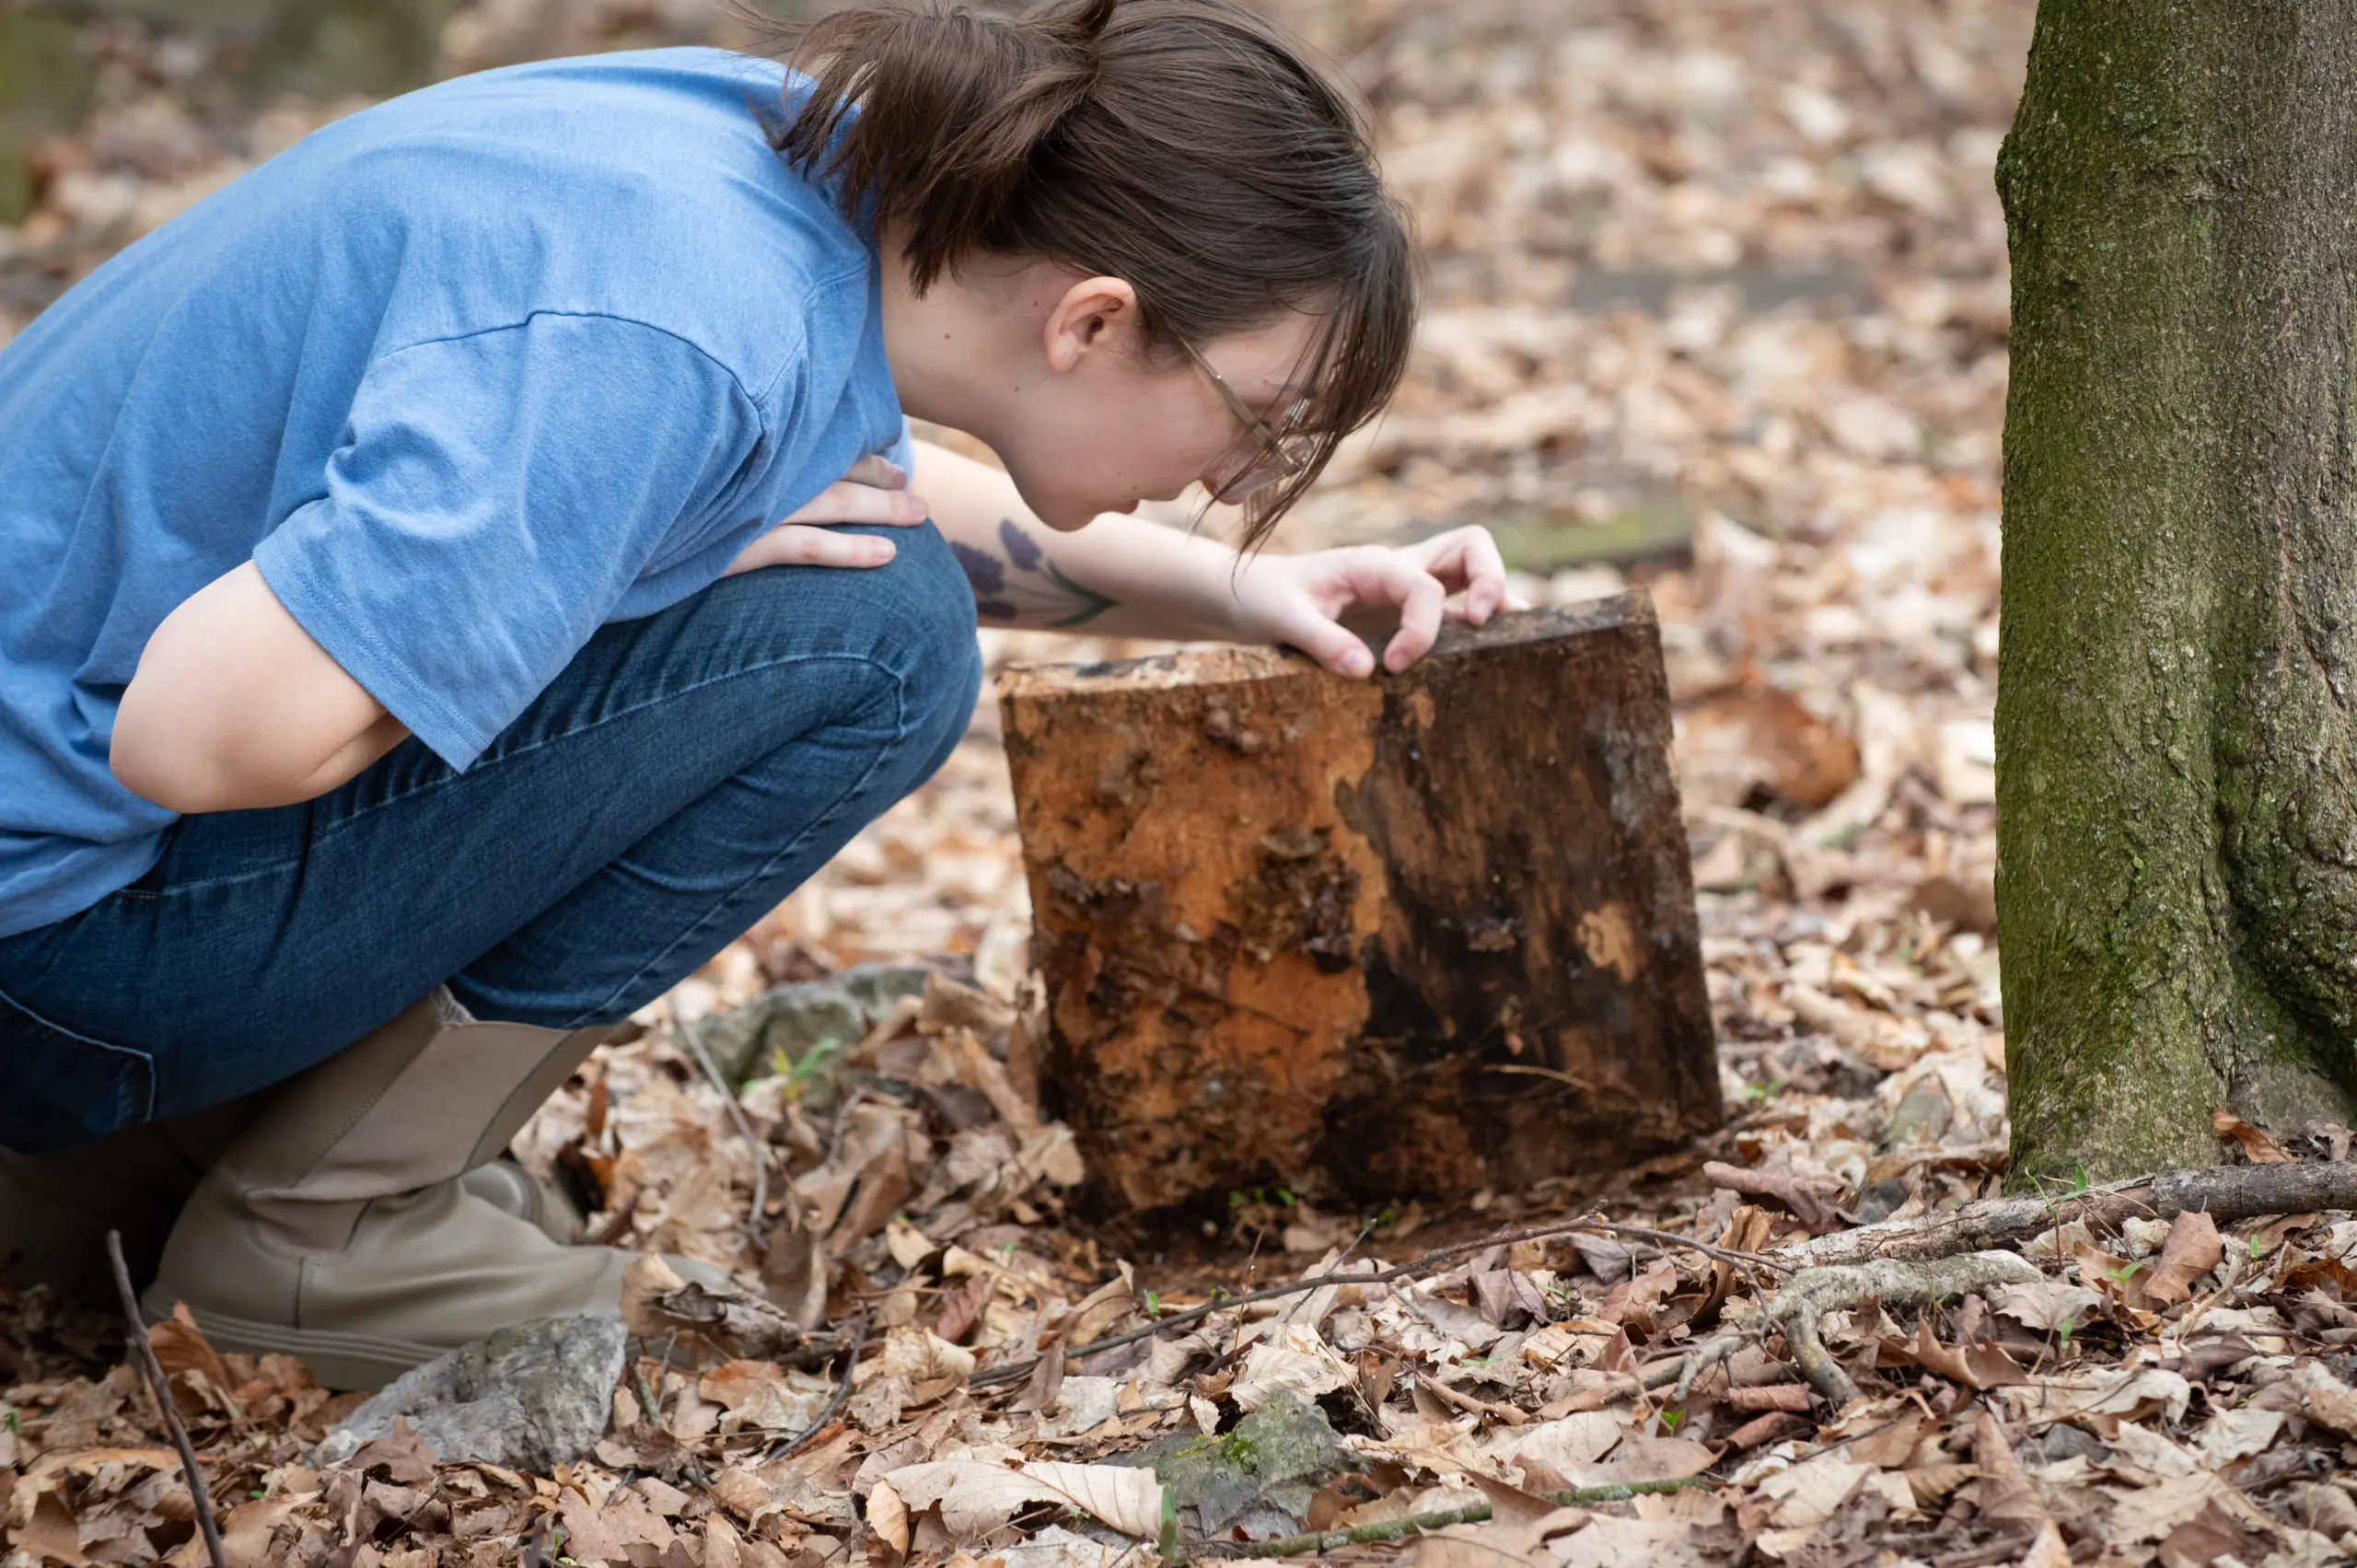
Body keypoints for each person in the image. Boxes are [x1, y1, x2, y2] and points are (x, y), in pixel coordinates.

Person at [0, 0, 1505, 1390]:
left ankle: (139, 1172)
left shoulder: (786, 179)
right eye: (1264, 424)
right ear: (1094, 320)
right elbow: (190, 729)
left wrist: (1248, 591)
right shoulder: (676, 333)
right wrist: (630, 559)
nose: (1241, 482)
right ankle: (318, 1236)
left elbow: (845, 493)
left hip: (47, 876)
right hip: (50, 962)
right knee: (888, 648)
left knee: (869, 601)